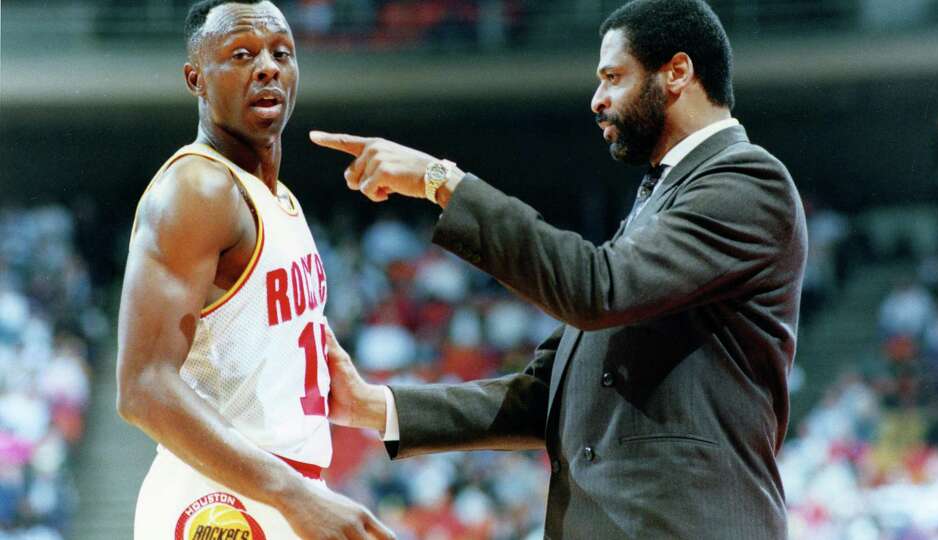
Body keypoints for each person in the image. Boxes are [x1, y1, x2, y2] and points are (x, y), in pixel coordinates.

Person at [310, 0, 807, 538]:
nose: (597, 100)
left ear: (677, 73)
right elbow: (546, 394)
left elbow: (596, 290)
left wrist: (443, 183)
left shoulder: (747, 181)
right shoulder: (659, 202)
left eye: (613, 77)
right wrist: (374, 405)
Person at [115, 1, 394, 539]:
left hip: (277, 486)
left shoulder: (277, 197)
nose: (267, 66)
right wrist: (293, 493)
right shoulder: (198, 188)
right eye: (242, 54)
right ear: (195, 78)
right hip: (218, 498)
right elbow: (142, 386)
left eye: (281, 54)